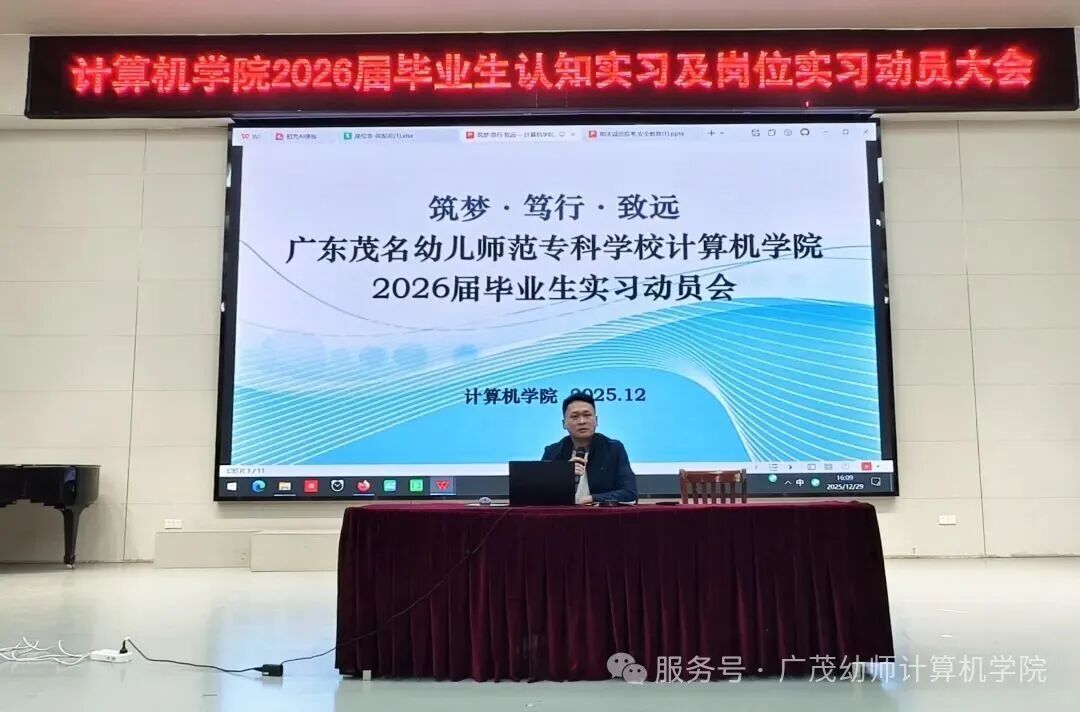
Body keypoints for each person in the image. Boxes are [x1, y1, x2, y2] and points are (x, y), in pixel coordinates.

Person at [541, 393, 638, 504]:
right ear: (564, 424)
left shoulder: (613, 449)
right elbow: (540, 494)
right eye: (575, 416)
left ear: (596, 420)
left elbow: (630, 493)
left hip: (599, 513)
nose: (582, 421)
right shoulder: (553, 452)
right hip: (563, 513)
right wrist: (564, 475)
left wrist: (591, 499)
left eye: (587, 415)